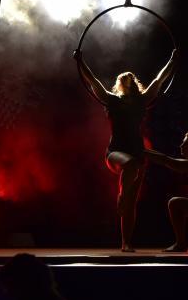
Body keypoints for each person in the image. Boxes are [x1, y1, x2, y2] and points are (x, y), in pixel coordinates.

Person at [75, 48, 177, 251]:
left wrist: (173, 59)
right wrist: (80, 61)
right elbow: (93, 81)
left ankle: (126, 243)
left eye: (131, 77)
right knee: (130, 166)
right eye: (124, 77)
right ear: (120, 83)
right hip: (116, 153)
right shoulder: (111, 99)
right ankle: (121, 196)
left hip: (137, 153)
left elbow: (160, 79)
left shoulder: (142, 100)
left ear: (134, 83)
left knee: (132, 203)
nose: (127, 77)